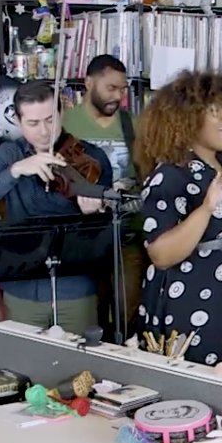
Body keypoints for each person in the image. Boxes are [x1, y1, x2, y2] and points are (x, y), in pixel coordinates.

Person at [134, 72, 222, 370]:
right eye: (214, 111)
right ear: (186, 119)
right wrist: (206, 208)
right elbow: (161, 254)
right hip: (194, 294)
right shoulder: (170, 174)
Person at [0, 80, 112, 334]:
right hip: (23, 287)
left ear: (61, 112)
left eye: (50, 120)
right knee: (24, 368)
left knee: (80, 367)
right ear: (18, 120)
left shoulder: (92, 158)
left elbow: (109, 232)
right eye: (33, 124)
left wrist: (96, 215)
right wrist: (16, 170)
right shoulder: (8, 154)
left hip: (75, 286)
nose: (44, 132)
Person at [62, 55, 143, 330]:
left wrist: (133, 186)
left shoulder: (133, 124)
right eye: (111, 88)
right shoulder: (64, 124)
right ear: (88, 83)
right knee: (90, 317)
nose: (118, 96)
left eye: (122, 89)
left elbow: (148, 174)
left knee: (128, 316)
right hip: (86, 238)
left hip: (129, 235)